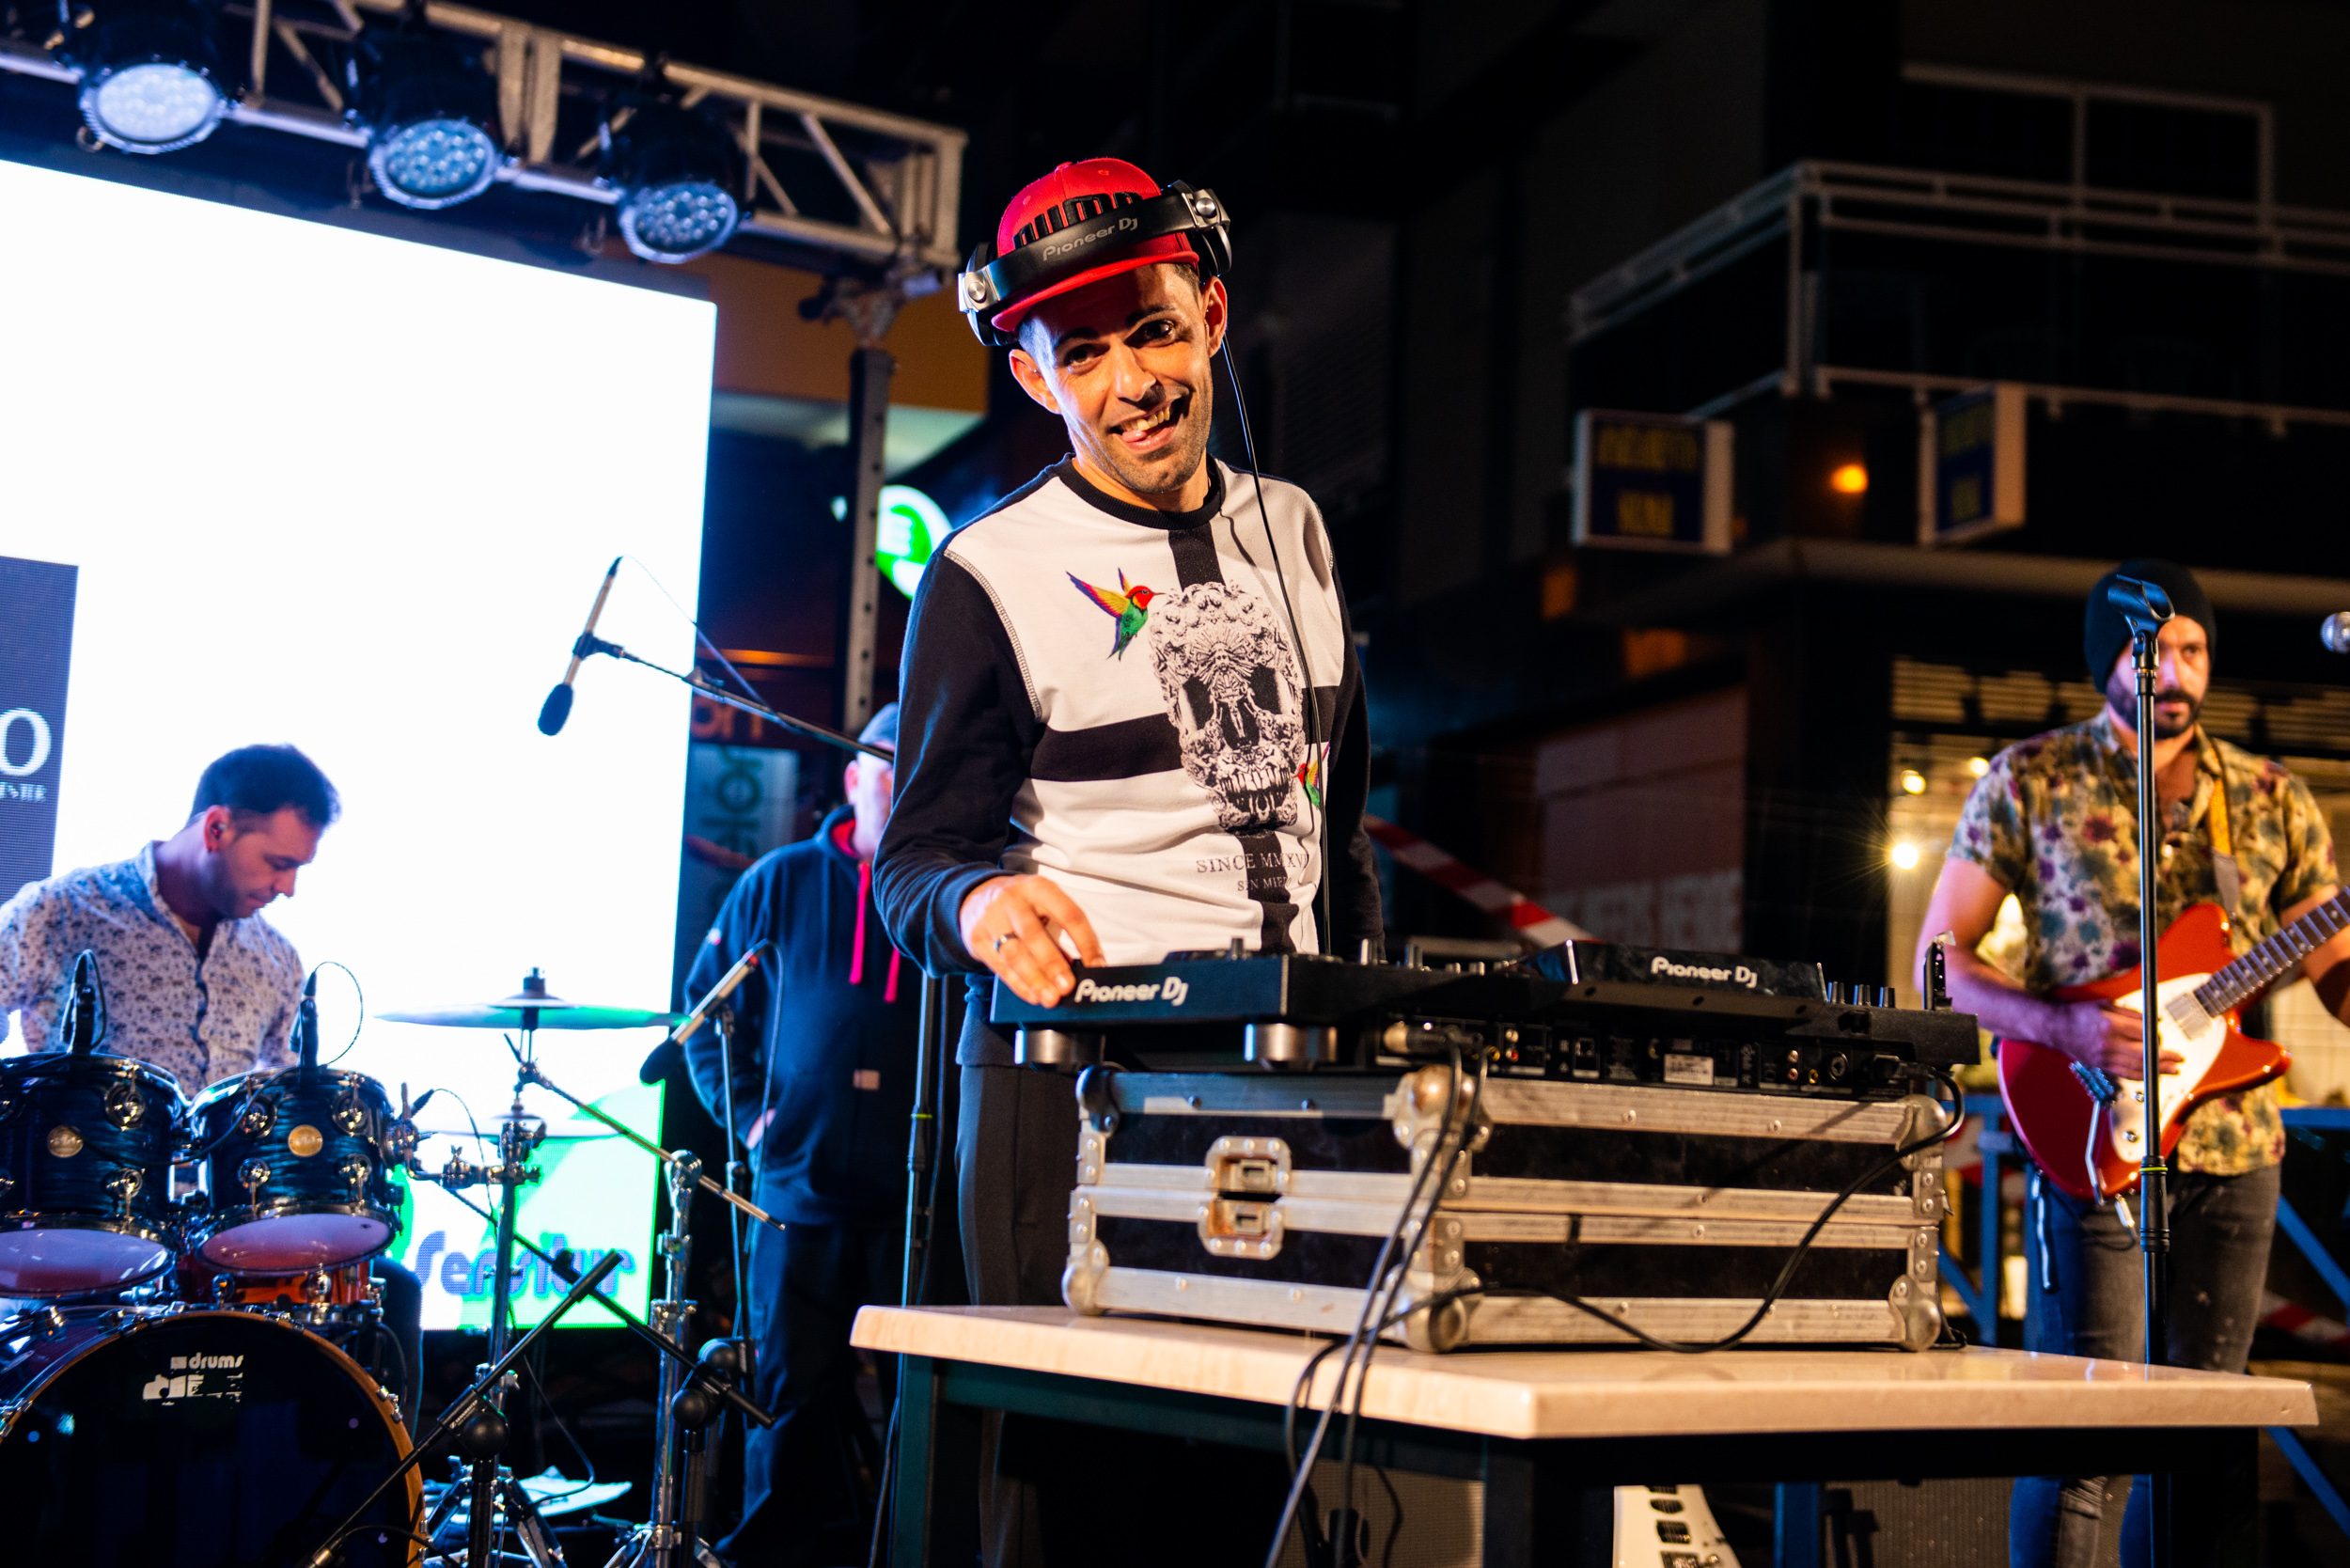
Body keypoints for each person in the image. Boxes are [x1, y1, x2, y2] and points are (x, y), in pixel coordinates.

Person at [874, 158, 1381, 1566]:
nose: (1131, 383)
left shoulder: (1298, 529)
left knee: (1259, 1493)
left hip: (1290, 1075)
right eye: (1082, 353)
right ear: (1034, 377)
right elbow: (914, 859)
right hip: (1077, 1086)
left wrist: (1375, 1028)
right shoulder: (984, 571)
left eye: (1153, 331)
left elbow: (1340, 828)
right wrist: (980, 900)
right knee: (1076, 1505)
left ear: (1211, 315)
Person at [1915, 559, 2350, 1568]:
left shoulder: (2273, 797)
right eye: (2152, 648)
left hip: (2235, 1146)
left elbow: (2335, 973)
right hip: (2086, 1128)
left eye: (2193, 648)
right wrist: (2064, 1030)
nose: (2176, 669)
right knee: (2087, 1432)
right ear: (2105, 660)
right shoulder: (2029, 778)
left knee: (2206, 1434)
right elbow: (1938, 963)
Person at [0, 744, 424, 1425]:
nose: (288, 887)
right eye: (279, 863)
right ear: (218, 828)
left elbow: (285, 1109)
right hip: (91, 1227)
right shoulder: (60, 912)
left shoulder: (275, 958)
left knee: (388, 1293)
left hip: (226, 1232)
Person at [683, 705, 920, 1568]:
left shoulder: (944, 897)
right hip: (797, 1191)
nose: (898, 780)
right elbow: (706, 1015)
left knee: (915, 1408)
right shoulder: (780, 880)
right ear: (854, 778)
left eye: (914, 765)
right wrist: (751, 1121)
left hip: (912, 1201)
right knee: (789, 1401)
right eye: (885, 763)